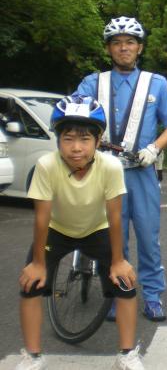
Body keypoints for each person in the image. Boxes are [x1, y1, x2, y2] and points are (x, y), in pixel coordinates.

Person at [15, 95, 144, 370]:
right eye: (68, 138)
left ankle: (127, 354)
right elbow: (41, 217)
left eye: (85, 139)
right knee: (30, 285)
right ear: (58, 140)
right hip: (56, 230)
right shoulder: (47, 166)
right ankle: (32, 356)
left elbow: (115, 215)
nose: (76, 148)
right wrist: (38, 264)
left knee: (126, 283)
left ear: (98, 141)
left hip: (97, 229)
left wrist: (119, 260)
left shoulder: (110, 166)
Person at [75, 16, 167, 321]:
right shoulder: (92, 83)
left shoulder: (156, 83)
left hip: (142, 171)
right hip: (104, 172)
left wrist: (154, 148)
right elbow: (72, 121)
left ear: (139, 48)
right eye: (116, 43)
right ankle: (116, 293)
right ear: (109, 49)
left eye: (130, 42)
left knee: (149, 235)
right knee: (113, 235)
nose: (123, 48)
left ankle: (152, 294)